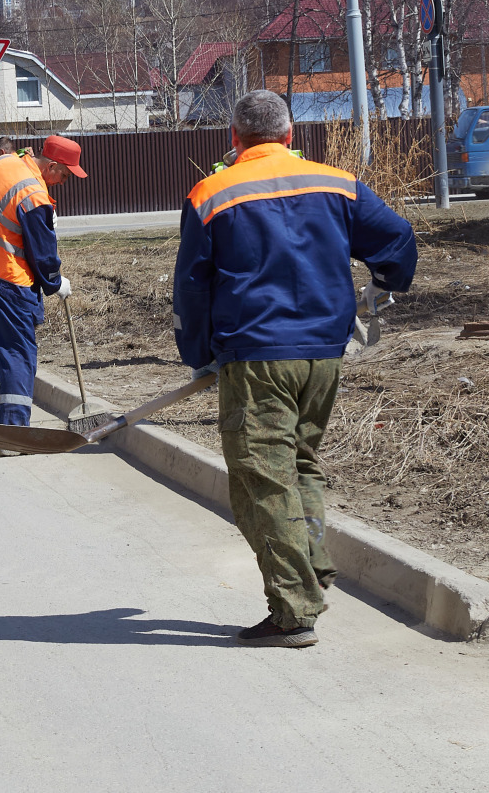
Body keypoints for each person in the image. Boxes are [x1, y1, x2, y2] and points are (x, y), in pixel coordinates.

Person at [173, 91, 416, 647]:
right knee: (299, 465)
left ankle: (292, 611)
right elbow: (397, 239)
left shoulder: (212, 193)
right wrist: (382, 289)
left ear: (234, 140)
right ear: (288, 136)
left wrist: (197, 352)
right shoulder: (337, 183)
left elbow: (192, 287)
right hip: (324, 356)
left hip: (257, 358)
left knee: (263, 480)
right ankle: (314, 570)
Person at [0, 134, 87, 435]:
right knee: (18, 353)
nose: (64, 182)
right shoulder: (34, 196)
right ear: (52, 165)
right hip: (5, 279)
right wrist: (56, 283)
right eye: (65, 174)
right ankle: (13, 433)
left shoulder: (3, 162)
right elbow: (42, 255)